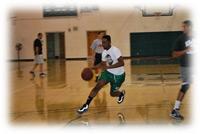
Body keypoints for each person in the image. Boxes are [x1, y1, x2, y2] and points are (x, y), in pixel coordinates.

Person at [77, 35, 126, 114]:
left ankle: (120, 94)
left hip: (118, 76)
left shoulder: (115, 50)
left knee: (112, 94)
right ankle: (86, 105)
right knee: (97, 87)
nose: (103, 44)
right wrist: (92, 68)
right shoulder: (104, 52)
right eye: (102, 42)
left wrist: (109, 67)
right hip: (108, 73)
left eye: (104, 42)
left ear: (109, 42)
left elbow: (122, 63)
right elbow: (102, 64)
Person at [170, 20, 192, 120]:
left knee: (186, 86)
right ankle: (175, 110)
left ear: (190, 27)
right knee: (185, 86)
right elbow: (174, 54)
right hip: (186, 67)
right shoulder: (181, 39)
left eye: (184, 27)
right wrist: (186, 50)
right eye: (182, 27)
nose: (182, 29)